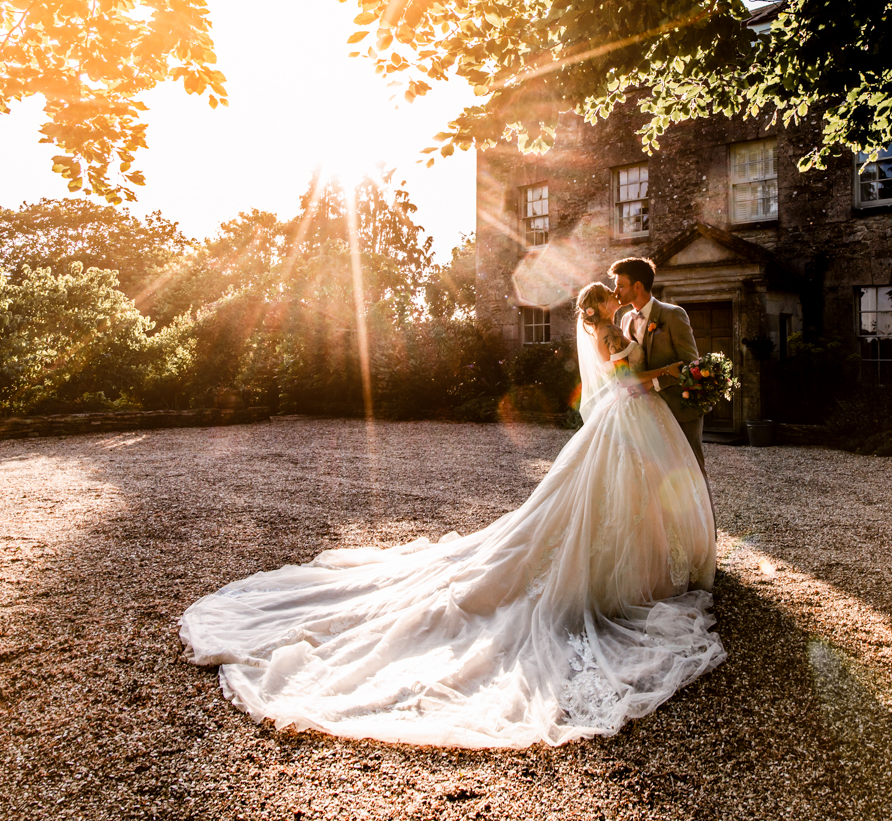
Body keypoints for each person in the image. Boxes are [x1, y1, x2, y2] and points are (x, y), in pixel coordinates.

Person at [179, 282, 722, 749]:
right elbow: (624, 374)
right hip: (630, 407)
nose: (614, 301)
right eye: (608, 299)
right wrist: (658, 372)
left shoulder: (626, 323)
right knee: (594, 501)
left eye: (613, 296)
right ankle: (617, 576)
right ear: (599, 308)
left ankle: (647, 564)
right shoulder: (610, 333)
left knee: (619, 495)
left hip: (631, 415)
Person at [609, 257, 711, 508]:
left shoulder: (673, 315)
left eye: (620, 285)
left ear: (637, 286)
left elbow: (691, 366)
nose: (615, 291)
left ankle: (707, 535)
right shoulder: (624, 319)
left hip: (680, 406)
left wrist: (654, 384)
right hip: (647, 412)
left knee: (692, 469)